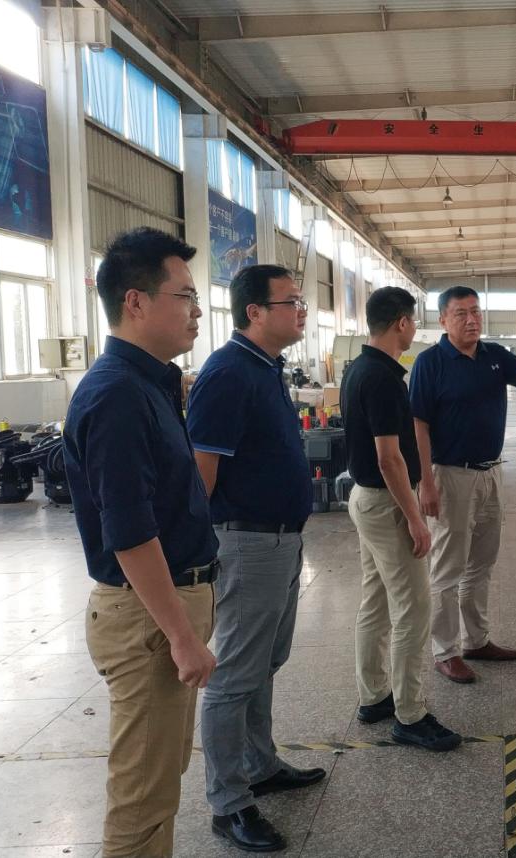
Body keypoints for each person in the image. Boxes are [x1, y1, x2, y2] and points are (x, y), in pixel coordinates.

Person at [63, 227, 218, 858]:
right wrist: (180, 635)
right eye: (185, 296)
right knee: (142, 798)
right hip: (148, 616)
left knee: (160, 781)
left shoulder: (152, 383)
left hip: (165, 604)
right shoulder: (118, 395)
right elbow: (129, 532)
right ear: (135, 302)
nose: (197, 310)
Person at [186, 265, 321, 853]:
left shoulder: (266, 368)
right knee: (235, 673)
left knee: (265, 661)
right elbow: (201, 476)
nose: (301, 310)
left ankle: (259, 765)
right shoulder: (228, 373)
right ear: (255, 313)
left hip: (282, 539)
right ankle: (228, 802)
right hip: (247, 541)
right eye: (291, 302)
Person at [409, 286, 516, 684]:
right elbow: (418, 425)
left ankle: (476, 640)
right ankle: (445, 651)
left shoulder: (493, 355)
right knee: (447, 569)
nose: (471, 320)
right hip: (450, 475)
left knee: (481, 563)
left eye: (476, 312)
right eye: (461, 313)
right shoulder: (430, 363)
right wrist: (426, 482)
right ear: (443, 320)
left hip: (490, 473)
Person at [340, 287, 462, 751]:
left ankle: (374, 696)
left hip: (365, 498)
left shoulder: (359, 368)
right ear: (402, 324)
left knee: (375, 600)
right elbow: (389, 458)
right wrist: (414, 518)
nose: (414, 330)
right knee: (413, 608)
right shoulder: (384, 378)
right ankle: (410, 715)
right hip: (387, 503)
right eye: (413, 322)